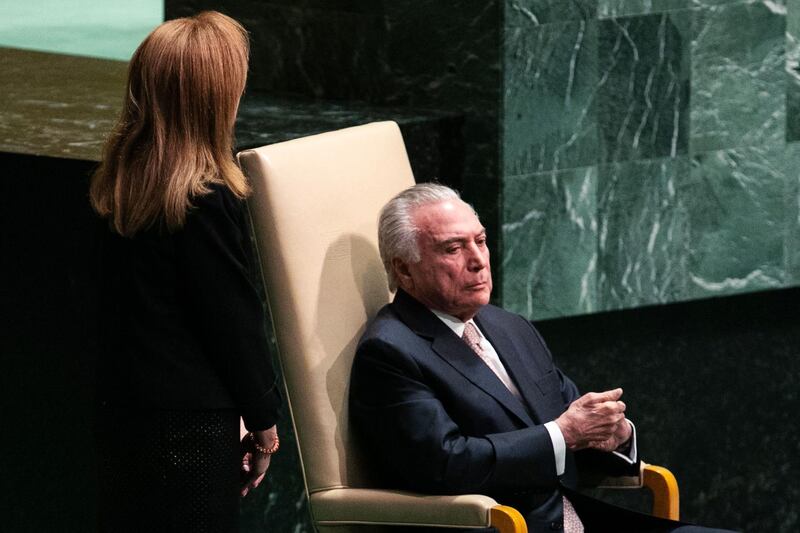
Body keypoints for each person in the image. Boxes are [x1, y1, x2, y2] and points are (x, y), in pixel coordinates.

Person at [349, 183, 735, 533]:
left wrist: (613, 435)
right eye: (453, 248)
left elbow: (567, 424)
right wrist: (565, 433)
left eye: (480, 241)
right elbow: (446, 465)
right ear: (404, 269)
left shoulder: (507, 326)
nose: (478, 260)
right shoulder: (390, 351)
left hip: (573, 518)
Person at [90, 12, 280, 532]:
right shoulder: (206, 198)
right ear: (215, 99)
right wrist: (264, 423)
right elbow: (231, 322)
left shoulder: (119, 186)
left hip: (124, 414)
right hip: (191, 430)